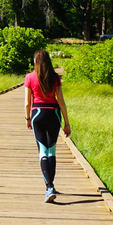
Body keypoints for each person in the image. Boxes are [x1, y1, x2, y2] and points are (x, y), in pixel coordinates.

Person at [24, 48, 71, 203]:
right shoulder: (55, 77)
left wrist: (27, 118)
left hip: (37, 114)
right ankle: (51, 186)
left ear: (36, 62)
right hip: (54, 114)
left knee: (42, 151)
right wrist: (67, 123)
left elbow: (27, 103)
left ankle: (49, 186)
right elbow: (61, 101)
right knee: (52, 150)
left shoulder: (29, 77)